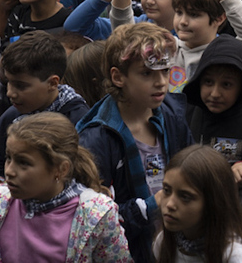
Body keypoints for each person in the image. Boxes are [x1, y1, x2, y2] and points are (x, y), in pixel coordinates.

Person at [76, 24, 192, 261]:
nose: (161, 82)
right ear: (118, 76)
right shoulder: (97, 137)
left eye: (165, 70)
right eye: (147, 73)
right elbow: (93, 218)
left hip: (176, 246)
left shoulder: (171, 116)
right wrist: (149, 206)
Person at [0, 112, 131, 261]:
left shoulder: (96, 215)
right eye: (8, 158)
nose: (9, 171)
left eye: (23, 163)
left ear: (61, 169)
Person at [0, 31, 89, 176]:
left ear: (53, 83)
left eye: (21, 86)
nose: (10, 92)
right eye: (8, 82)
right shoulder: (11, 117)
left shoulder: (79, 121)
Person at [153, 145, 242, 263]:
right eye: (167, 190)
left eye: (185, 197)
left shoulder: (234, 256)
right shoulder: (163, 243)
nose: (170, 204)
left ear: (212, 202)